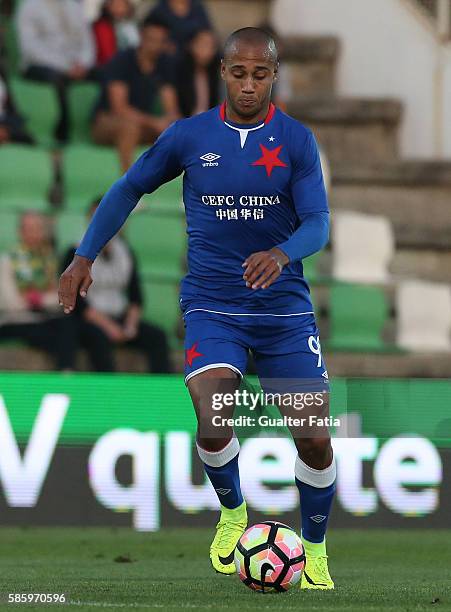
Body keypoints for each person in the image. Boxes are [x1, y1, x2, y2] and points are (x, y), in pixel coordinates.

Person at [59, 28, 334, 590]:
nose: (250, 84)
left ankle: (315, 552)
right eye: (239, 72)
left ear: (274, 75)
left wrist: (282, 255)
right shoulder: (189, 136)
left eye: (261, 74)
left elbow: (318, 223)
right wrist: (83, 256)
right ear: (223, 72)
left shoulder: (297, 141)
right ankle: (233, 510)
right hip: (213, 304)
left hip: (283, 312)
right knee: (213, 413)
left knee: (312, 435)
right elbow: (127, 188)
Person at [61, 199, 171, 373]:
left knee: (157, 337)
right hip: (91, 320)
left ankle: (162, 391)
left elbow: (136, 297)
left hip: (119, 316)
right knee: (97, 338)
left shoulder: (126, 252)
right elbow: (76, 303)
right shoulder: (74, 253)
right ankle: (109, 393)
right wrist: (109, 327)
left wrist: (130, 325)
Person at [92, 17, 179, 171]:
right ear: (141, 36)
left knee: (184, 130)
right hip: (107, 121)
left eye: (160, 41)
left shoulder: (164, 64)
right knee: (129, 128)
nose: (155, 45)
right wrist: (155, 123)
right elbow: (119, 109)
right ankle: (130, 189)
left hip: (142, 123)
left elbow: (170, 106)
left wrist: (171, 122)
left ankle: (188, 190)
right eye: (151, 39)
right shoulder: (123, 60)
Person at [0, 211, 76, 370]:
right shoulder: (7, 261)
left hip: (42, 318)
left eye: (37, 229)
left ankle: (67, 373)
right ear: (20, 232)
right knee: (55, 335)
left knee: (70, 325)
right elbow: (9, 303)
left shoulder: (49, 262)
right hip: (15, 321)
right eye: (29, 229)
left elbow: (59, 299)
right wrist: (37, 300)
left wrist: (38, 299)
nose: (34, 234)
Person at [17, 0, 95, 144]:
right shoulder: (29, 6)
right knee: (56, 79)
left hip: (75, 65)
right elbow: (30, 48)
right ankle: (62, 135)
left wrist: (83, 63)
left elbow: (87, 43)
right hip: (39, 65)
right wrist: (66, 67)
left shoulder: (74, 7)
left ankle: (98, 128)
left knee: (104, 75)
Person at [176, 29, 221, 117]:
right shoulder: (179, 70)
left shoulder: (216, 72)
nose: (208, 50)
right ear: (191, 45)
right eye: (203, 44)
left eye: (212, 46)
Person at [145, 0, 211, 57]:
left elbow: (207, 32)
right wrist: (162, 45)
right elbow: (147, 31)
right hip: (169, 57)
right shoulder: (160, 9)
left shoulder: (197, 7)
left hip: (194, 57)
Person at [92, 0, 139, 68]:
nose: (118, 9)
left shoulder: (131, 25)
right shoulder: (102, 27)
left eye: (121, 5)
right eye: (115, 5)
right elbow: (107, 55)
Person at [0, 68, 34, 145]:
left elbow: (10, 106)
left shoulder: (2, 76)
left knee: (28, 138)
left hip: (5, 120)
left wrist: (5, 129)